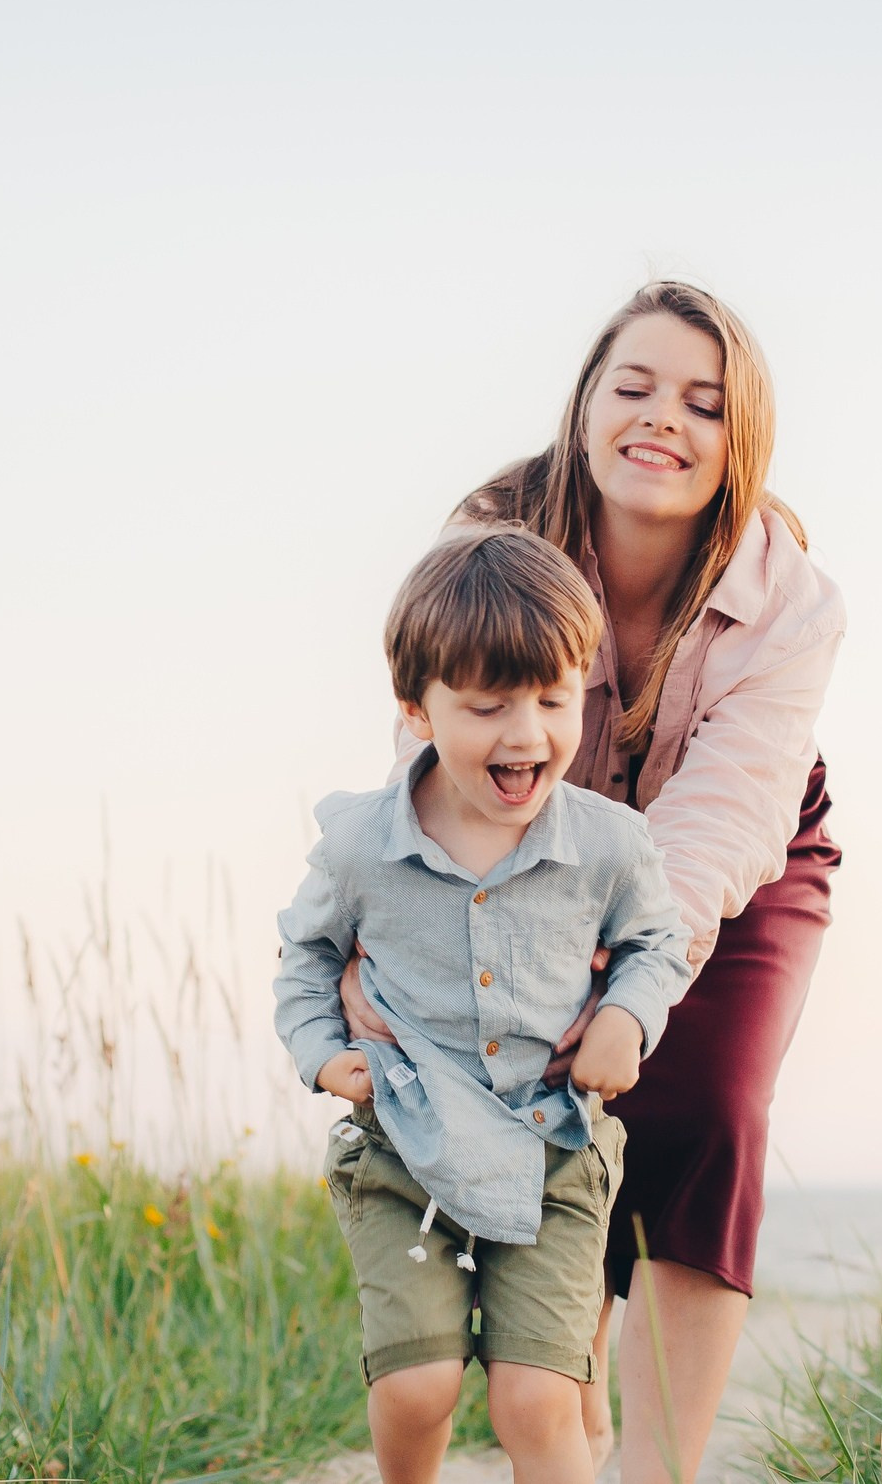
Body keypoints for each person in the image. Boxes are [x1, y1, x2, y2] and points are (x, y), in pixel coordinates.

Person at [344, 281, 845, 1483]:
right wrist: (393, 938)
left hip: (735, 856)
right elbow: (433, 747)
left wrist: (610, 966)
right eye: (632, 387)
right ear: (584, 405)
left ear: (741, 440)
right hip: (515, 835)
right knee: (553, 1092)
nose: (659, 418)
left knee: (704, 1108)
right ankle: (569, 1404)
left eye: (702, 403)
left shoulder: (792, 602)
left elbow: (721, 816)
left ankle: (655, 1471)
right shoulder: (488, 535)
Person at [275, 524, 697, 1484]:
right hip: (405, 1150)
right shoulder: (359, 847)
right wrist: (321, 1052)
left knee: (535, 1400)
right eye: (486, 705)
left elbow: (655, 943)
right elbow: (305, 956)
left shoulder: (610, 845)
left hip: (552, 1153)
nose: (526, 733)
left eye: (552, 699)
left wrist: (628, 1017)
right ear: (417, 710)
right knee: (418, 1385)